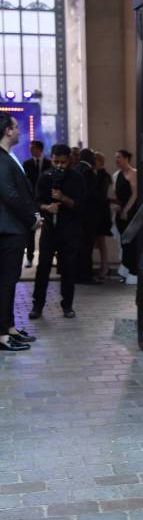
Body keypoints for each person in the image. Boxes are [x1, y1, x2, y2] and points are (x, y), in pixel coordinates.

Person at [29, 144, 85, 319]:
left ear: (69, 160)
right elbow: (36, 201)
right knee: (43, 268)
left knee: (68, 269)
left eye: (63, 162)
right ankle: (37, 305)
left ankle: (67, 305)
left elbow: (81, 205)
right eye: (56, 161)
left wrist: (63, 199)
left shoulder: (76, 178)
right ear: (51, 158)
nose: (59, 165)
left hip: (69, 230)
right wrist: (47, 206)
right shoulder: (45, 177)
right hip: (49, 230)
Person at [0, 114, 41, 351]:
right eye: (15, 128)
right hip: (8, 230)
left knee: (9, 282)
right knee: (6, 282)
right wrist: (32, 218)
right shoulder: (2, 158)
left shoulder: (8, 157)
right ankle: (3, 335)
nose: (18, 131)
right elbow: (10, 195)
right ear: (7, 131)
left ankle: (10, 328)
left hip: (12, 228)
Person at [23, 140, 51, 267]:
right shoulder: (27, 164)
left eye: (33, 148)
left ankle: (46, 258)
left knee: (48, 230)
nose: (30, 150)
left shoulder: (49, 163)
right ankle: (29, 257)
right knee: (31, 230)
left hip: (46, 202)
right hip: (31, 202)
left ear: (40, 149)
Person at [113, 149, 138, 285]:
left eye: (119, 157)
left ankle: (133, 272)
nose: (117, 160)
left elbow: (135, 194)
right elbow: (117, 194)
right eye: (116, 158)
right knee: (124, 243)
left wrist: (126, 210)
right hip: (121, 213)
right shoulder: (117, 175)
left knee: (131, 243)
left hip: (130, 213)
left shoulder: (133, 173)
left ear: (127, 159)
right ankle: (126, 270)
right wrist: (118, 207)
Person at [75, 148, 99, 284]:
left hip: (77, 215)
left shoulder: (76, 169)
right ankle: (86, 276)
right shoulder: (89, 172)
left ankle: (78, 275)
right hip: (88, 216)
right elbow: (91, 195)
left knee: (79, 246)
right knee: (87, 246)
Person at [94, 151, 113, 281]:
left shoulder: (103, 175)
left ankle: (104, 267)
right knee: (100, 241)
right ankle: (103, 266)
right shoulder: (100, 174)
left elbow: (101, 194)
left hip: (101, 212)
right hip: (99, 210)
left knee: (101, 241)